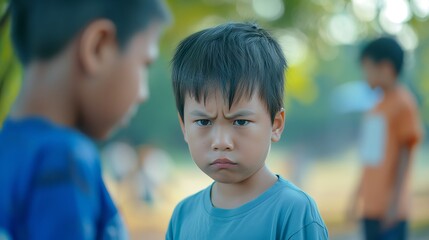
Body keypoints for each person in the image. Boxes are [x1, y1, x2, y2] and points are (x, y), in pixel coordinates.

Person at [0, 0, 170, 239]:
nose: (143, 93)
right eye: (144, 64)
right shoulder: (64, 157)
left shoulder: (8, 148)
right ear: (98, 47)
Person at [166, 22, 328, 240]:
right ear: (184, 126)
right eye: (204, 122)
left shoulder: (293, 212)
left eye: (240, 122)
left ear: (276, 124)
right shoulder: (183, 216)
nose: (221, 142)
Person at [348, 37, 424, 240]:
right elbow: (369, 158)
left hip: (391, 211)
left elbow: (405, 154)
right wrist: (356, 198)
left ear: (386, 68)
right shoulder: (375, 108)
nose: (365, 76)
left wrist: (394, 203)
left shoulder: (404, 103)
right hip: (370, 208)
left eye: (367, 69)